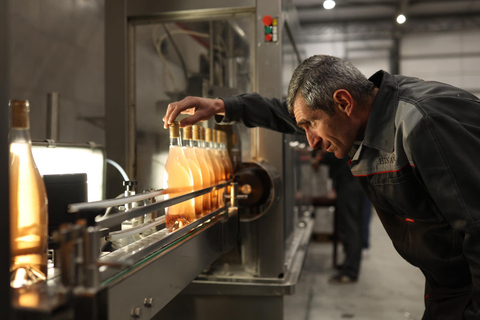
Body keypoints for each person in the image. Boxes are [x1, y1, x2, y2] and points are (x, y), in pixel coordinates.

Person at [163, 55, 480, 319]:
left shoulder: (422, 123)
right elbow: (284, 115)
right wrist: (222, 106)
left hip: (466, 288)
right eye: (304, 128)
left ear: (343, 101)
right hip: (446, 284)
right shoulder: (368, 115)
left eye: (310, 125)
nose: (310, 141)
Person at [312, 149, 365, 284]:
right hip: (351, 182)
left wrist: (320, 158)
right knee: (350, 227)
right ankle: (349, 264)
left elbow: (337, 156)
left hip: (349, 183)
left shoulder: (342, 141)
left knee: (350, 228)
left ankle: (350, 271)